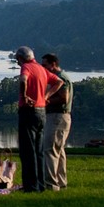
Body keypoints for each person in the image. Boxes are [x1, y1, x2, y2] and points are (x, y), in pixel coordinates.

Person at [15, 46, 63, 192]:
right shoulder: (41, 69)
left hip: (28, 111)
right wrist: (46, 96)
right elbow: (58, 82)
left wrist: (24, 96)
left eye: (18, 60)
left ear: (21, 58)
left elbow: (23, 80)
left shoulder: (27, 67)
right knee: (39, 150)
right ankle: (40, 185)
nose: (18, 63)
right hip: (42, 112)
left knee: (27, 151)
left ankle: (31, 186)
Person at [42, 53, 73, 191]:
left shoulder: (60, 78)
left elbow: (64, 98)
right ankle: (61, 182)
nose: (43, 68)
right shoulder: (62, 76)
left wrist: (45, 101)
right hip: (60, 117)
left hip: (57, 117)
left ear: (53, 64)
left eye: (45, 65)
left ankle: (50, 184)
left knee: (49, 149)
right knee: (58, 151)